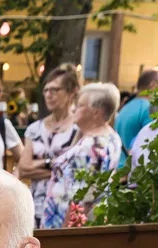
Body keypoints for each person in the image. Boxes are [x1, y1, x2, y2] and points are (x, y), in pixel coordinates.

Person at [41, 82, 123, 228]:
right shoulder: (110, 136)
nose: (74, 109)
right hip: (86, 222)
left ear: (96, 112)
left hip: (63, 226)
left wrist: (65, 233)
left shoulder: (91, 147)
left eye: (80, 105)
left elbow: (81, 199)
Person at [17, 65, 82, 226]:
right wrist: (52, 164)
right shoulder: (35, 129)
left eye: (55, 90)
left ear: (71, 92)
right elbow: (23, 169)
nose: (48, 95)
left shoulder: (79, 129)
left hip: (64, 208)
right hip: (34, 206)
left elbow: (72, 171)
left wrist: (37, 165)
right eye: (46, 90)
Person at [113, 69, 158, 169]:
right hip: (133, 171)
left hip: (118, 168)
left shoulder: (126, 107)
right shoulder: (151, 108)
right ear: (154, 85)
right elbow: (153, 142)